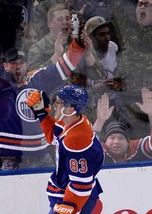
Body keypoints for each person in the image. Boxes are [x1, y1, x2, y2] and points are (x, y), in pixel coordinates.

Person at [0, 4, 96, 170]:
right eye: (13, 63)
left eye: (21, 63)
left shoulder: (38, 79)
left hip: (42, 158)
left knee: (53, 194)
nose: (18, 66)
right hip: (12, 160)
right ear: (5, 66)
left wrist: (78, 45)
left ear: (27, 64)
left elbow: (65, 66)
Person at [105, 0, 152, 139]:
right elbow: (115, 3)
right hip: (128, 104)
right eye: (139, 4)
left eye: (146, 4)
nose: (141, 7)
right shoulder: (127, 27)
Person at [26, 84, 104, 214]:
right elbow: (54, 136)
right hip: (67, 192)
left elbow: (81, 183)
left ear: (70, 109)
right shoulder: (74, 121)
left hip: (76, 197)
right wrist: (41, 113)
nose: (55, 105)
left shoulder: (76, 139)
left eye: (59, 102)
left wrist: (69, 205)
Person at [93, 87, 152, 164]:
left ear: (128, 142)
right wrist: (100, 120)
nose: (116, 142)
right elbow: (87, 145)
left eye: (121, 138)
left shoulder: (135, 148)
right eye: (112, 138)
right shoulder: (100, 150)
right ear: (105, 141)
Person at [27, 4, 72, 71]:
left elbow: (92, 75)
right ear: (49, 24)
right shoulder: (37, 49)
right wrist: (56, 55)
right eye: (60, 19)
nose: (65, 22)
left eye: (67, 19)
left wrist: (88, 56)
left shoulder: (77, 43)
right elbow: (35, 77)